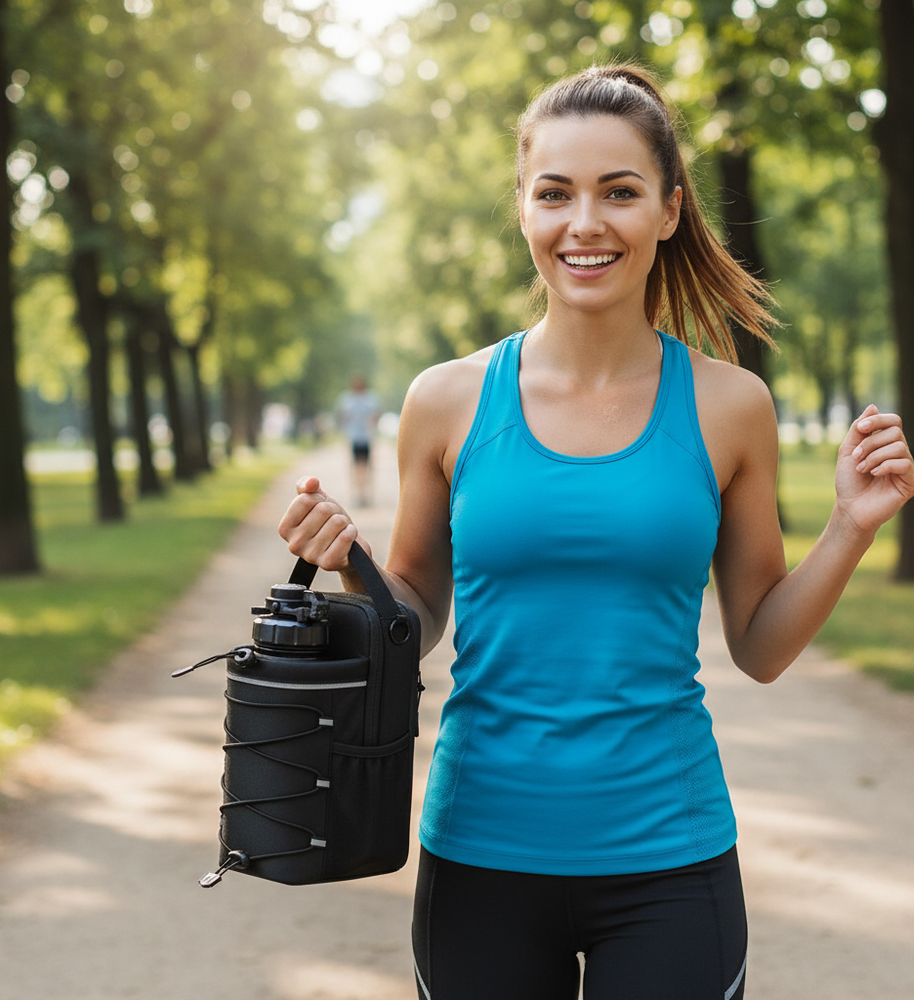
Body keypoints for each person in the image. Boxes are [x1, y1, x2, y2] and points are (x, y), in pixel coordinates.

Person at [279, 65, 914, 1000]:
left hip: (672, 860)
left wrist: (851, 528)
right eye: (556, 193)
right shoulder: (445, 401)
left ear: (668, 210)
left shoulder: (731, 405)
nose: (586, 223)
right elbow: (417, 616)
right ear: (525, 213)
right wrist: (350, 564)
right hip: (480, 855)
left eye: (619, 191)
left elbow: (763, 647)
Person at [336, 373, 380, 506]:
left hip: (357, 437)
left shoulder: (347, 399)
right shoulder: (370, 399)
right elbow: (375, 417)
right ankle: (363, 494)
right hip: (363, 437)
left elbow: (342, 417)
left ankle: (361, 494)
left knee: (358, 467)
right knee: (364, 467)